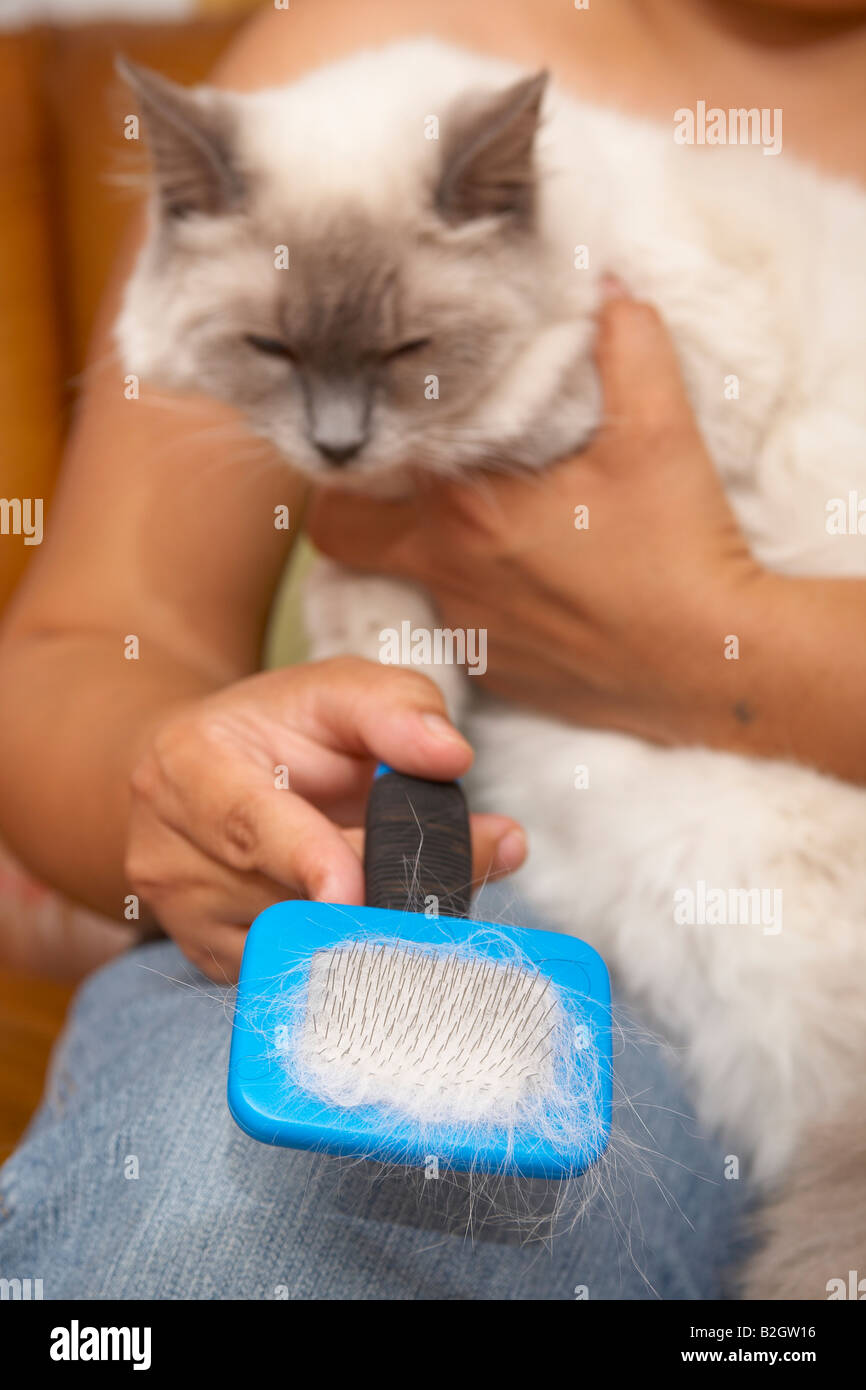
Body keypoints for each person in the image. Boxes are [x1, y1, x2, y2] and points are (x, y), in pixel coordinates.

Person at [0, 0, 863, 1299]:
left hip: (771, 883)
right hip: (471, 879)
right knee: (235, 1196)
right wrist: (181, 792)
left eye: (405, 359)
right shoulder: (357, 54)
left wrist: (700, 631)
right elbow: (95, 638)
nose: (337, 435)